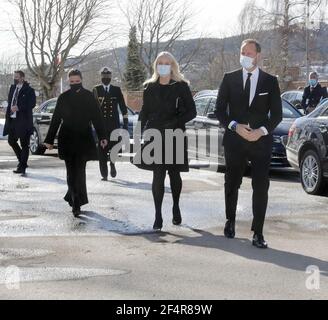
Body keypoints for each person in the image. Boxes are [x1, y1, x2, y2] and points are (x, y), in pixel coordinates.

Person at [215, 39, 282, 249]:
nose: (245, 55)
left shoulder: (270, 81)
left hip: (260, 143)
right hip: (235, 140)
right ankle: (230, 221)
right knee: (232, 182)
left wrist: (261, 132)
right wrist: (235, 126)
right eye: (242, 52)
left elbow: (277, 115)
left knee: (261, 186)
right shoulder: (229, 78)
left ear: (258, 56)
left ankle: (258, 232)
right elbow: (219, 110)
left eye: (249, 52)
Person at [135, 51, 196, 231]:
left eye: (167, 63)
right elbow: (144, 112)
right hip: (154, 135)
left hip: (175, 134)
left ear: (172, 66)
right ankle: (158, 215)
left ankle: (176, 206)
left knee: (174, 174)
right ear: (156, 66)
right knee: (158, 175)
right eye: (160, 62)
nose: (163, 65)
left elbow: (192, 112)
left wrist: (175, 122)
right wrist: (138, 134)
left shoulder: (181, 86)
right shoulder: (149, 87)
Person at [44, 69, 108, 217]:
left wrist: (103, 136)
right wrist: (49, 140)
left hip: (83, 139)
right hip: (66, 139)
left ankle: (75, 199)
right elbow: (56, 119)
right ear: (68, 81)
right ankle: (75, 200)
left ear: (81, 80)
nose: (74, 84)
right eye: (71, 82)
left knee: (79, 172)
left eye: (77, 82)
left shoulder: (89, 97)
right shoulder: (63, 97)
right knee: (71, 172)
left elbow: (97, 118)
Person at [93, 67, 129, 181]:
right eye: (104, 77)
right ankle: (104, 174)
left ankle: (112, 164)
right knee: (102, 149)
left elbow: (123, 106)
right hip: (101, 125)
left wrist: (126, 122)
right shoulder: (96, 90)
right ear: (101, 78)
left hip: (114, 125)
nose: (106, 79)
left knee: (114, 148)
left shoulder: (116, 90)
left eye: (108, 77)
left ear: (111, 78)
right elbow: (91, 108)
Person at [3, 70, 36, 176]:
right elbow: (10, 102)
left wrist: (18, 107)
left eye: (17, 77)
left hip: (24, 122)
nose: (15, 79)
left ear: (22, 78)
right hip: (12, 120)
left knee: (24, 144)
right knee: (11, 141)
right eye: (14, 77)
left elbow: (32, 104)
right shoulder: (12, 88)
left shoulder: (29, 90)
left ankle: (22, 166)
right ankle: (22, 161)